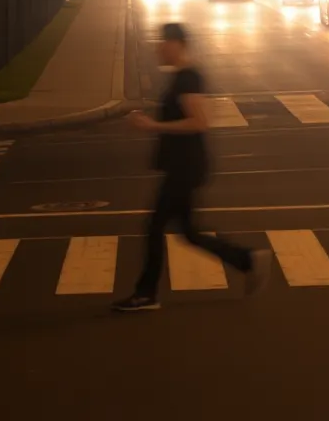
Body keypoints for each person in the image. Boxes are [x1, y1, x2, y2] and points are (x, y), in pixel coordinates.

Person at [113, 22, 271, 312]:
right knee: (188, 232)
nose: (158, 48)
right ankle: (247, 260)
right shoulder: (183, 77)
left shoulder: (187, 78)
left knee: (154, 226)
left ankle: (146, 294)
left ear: (176, 44)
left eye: (162, 42)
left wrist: (152, 125)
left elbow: (199, 122)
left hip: (185, 167)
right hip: (183, 166)